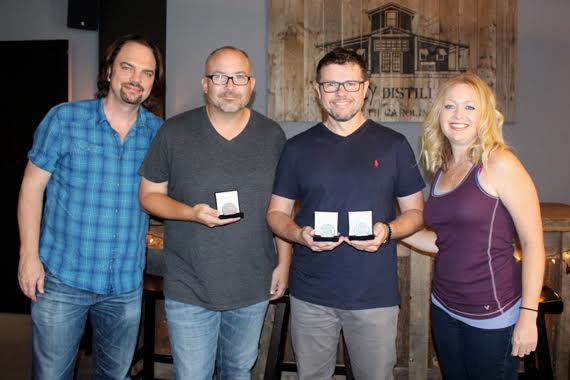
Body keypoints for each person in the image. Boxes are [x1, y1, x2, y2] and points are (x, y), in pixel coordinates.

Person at [266, 47, 425, 379]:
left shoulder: (394, 145)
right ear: (317, 90)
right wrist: (299, 235)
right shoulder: (296, 149)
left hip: (374, 295)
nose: (341, 93)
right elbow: (276, 214)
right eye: (331, 85)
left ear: (366, 88)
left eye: (350, 84)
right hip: (311, 295)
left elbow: (415, 213)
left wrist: (388, 231)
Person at [138, 46, 290, 379]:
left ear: (251, 85)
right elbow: (149, 196)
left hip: (252, 282)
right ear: (205, 84)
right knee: (193, 374)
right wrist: (191, 213)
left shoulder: (272, 136)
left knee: (238, 370)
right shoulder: (173, 133)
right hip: (190, 283)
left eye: (239, 77)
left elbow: (283, 206)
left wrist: (284, 262)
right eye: (219, 77)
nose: (230, 86)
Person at [17, 34, 164, 379]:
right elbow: (31, 187)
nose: (136, 79)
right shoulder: (65, 119)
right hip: (61, 280)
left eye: (147, 73)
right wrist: (28, 256)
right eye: (127, 67)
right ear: (110, 70)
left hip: (125, 286)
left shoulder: (159, 134)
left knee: (113, 376)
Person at [403, 72, 544, 379]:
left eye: (470, 107)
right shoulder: (443, 169)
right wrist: (393, 232)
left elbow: (533, 245)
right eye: (450, 106)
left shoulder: (500, 164)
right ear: (438, 113)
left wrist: (528, 316)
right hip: (443, 307)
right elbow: (444, 242)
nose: (458, 115)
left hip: (490, 315)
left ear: (484, 116)